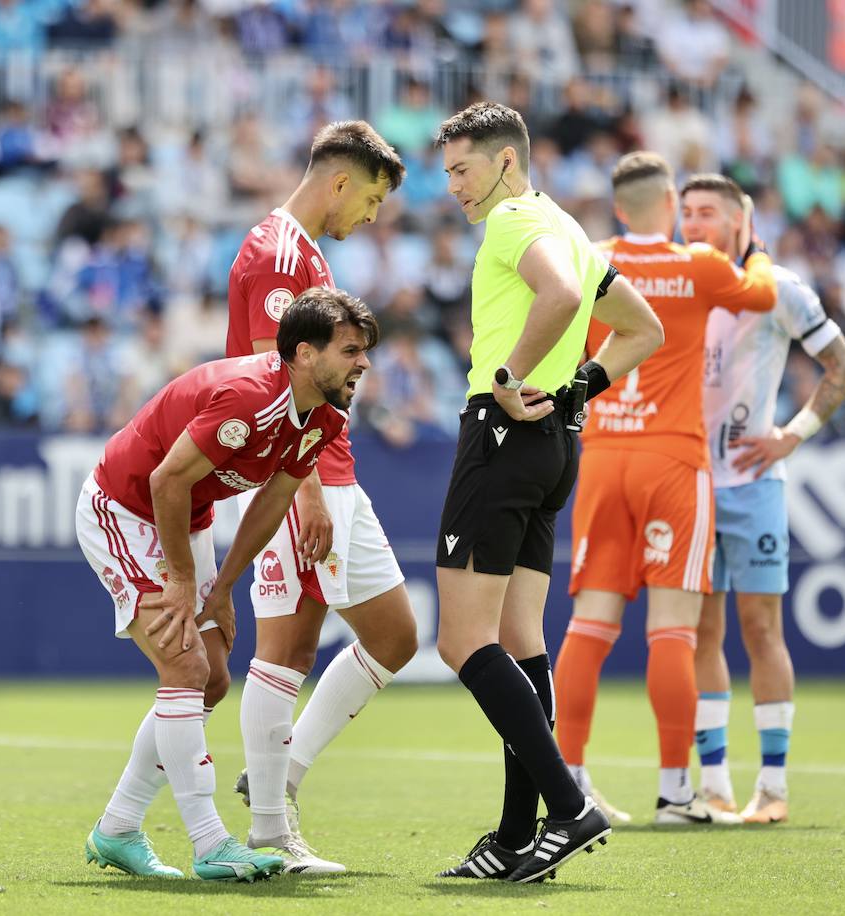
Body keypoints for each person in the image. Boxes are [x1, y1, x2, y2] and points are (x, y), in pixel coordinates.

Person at [432, 102, 663, 883]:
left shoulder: (512, 223)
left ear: (505, 161)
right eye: (448, 173)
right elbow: (643, 329)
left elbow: (561, 297)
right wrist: (575, 388)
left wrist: (509, 380)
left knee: (462, 641)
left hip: (502, 437)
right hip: (557, 442)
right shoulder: (567, 222)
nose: (454, 187)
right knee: (522, 639)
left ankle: (567, 808)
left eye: (462, 169)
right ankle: (513, 838)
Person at [76, 289, 377, 882]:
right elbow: (165, 481)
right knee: (185, 669)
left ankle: (116, 828)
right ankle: (211, 842)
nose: (362, 364)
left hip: (187, 518)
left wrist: (225, 588)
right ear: (303, 354)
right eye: (350, 351)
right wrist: (185, 583)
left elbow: (274, 501)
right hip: (125, 508)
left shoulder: (325, 415)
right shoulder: (248, 399)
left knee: (211, 677)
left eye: (364, 351)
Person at [553, 154, 778, 826]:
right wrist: (756, 244)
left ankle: (569, 783)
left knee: (589, 627)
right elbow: (760, 292)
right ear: (673, 202)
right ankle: (678, 794)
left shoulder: (589, 256)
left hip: (602, 455)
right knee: (673, 632)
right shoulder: (699, 266)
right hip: (675, 462)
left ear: (620, 207)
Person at [224, 120, 418, 874]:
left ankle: (274, 801)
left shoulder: (293, 249)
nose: (368, 218)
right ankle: (274, 813)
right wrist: (300, 486)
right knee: (364, 638)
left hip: (304, 467)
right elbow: (277, 379)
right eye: (368, 201)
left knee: (302, 648)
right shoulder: (281, 255)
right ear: (340, 181)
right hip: (309, 471)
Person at [686, 182, 845, 823]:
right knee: (703, 632)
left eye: (705, 212)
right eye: (685, 212)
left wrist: (793, 434)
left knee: (762, 630)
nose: (692, 223)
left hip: (754, 486)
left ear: (740, 221)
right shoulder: (683, 284)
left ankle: (774, 786)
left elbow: (843, 366)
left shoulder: (779, 288)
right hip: (693, 484)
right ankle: (712, 785)